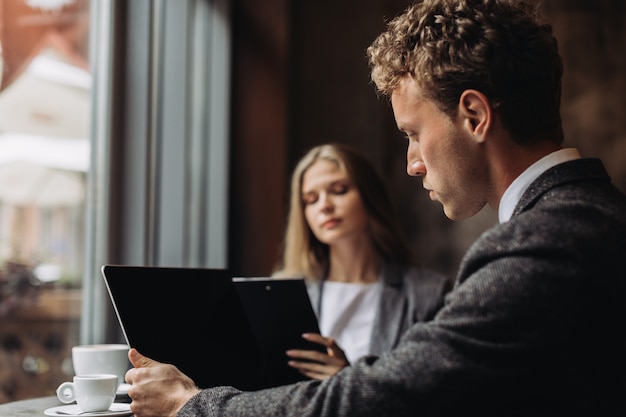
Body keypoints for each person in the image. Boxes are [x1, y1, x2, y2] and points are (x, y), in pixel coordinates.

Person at [124, 1, 626, 416]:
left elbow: (386, 400)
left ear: (474, 115)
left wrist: (191, 406)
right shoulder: (594, 216)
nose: (411, 164)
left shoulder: (543, 244)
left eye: (412, 134)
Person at [273, 143, 451, 380]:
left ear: (369, 197)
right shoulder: (281, 292)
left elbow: (432, 392)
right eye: (311, 199)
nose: (324, 206)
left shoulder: (429, 295)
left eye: (338, 190)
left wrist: (348, 382)